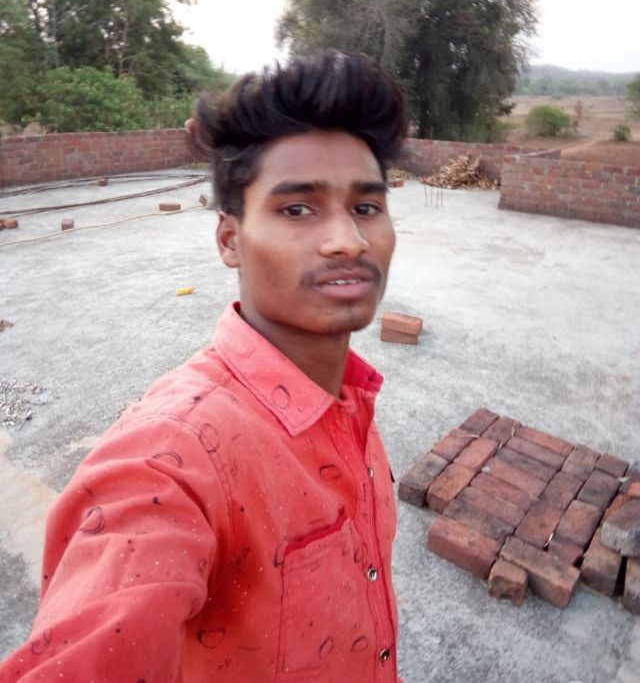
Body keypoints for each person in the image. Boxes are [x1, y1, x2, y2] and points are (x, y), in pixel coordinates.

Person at [1, 50, 406, 682]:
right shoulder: (170, 460)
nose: (347, 241)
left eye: (365, 207)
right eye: (297, 209)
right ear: (228, 239)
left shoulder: (350, 399)